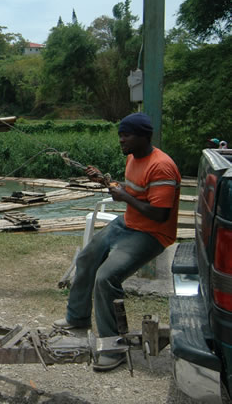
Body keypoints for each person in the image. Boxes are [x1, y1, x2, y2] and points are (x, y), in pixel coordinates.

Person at [53, 112, 181, 372]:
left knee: (106, 277)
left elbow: (160, 214)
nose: (121, 140)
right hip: (128, 222)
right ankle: (77, 318)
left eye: (127, 135)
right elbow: (135, 191)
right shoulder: (134, 158)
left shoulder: (162, 166)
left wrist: (124, 197)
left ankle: (113, 347)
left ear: (145, 136)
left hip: (151, 234)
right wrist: (106, 181)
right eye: (120, 135)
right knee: (87, 258)